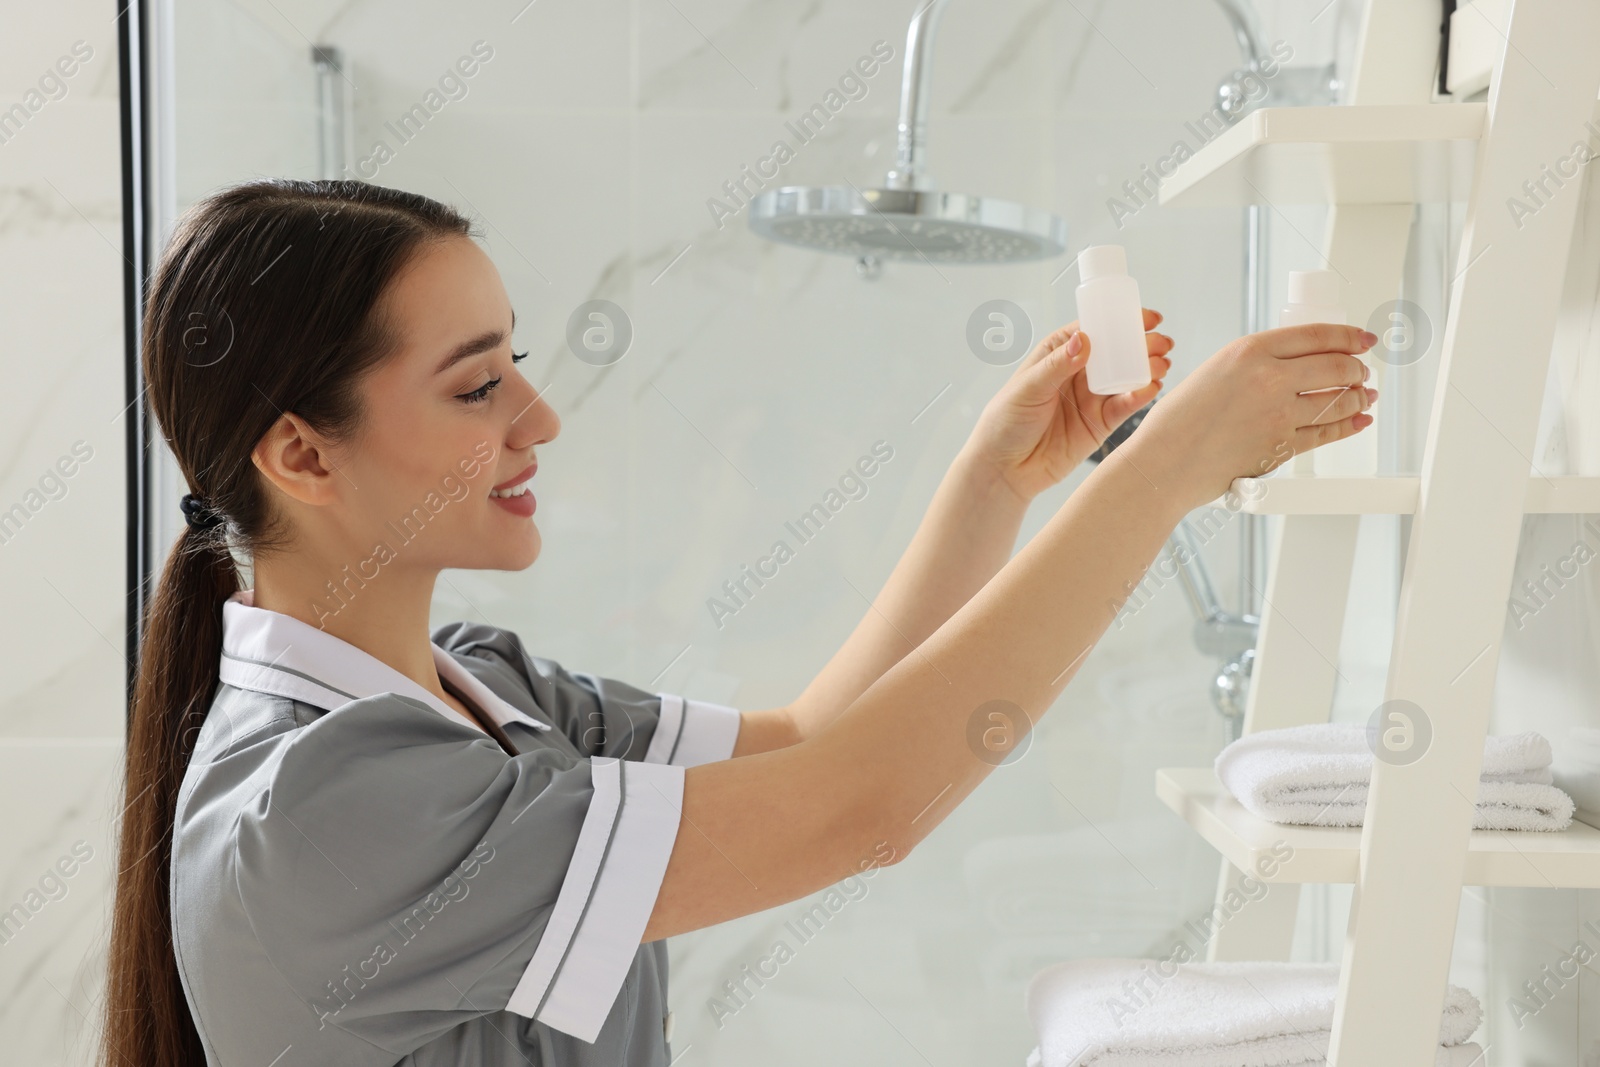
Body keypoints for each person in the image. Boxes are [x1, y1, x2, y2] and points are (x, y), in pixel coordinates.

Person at [103, 179, 1376, 1066]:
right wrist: (1166, 474)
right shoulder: (323, 806)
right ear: (301, 456)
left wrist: (1002, 480)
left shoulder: (481, 695)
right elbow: (858, 807)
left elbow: (809, 742)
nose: (538, 418)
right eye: (479, 382)